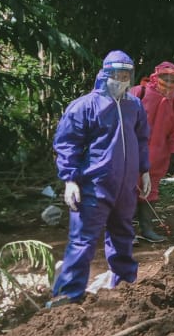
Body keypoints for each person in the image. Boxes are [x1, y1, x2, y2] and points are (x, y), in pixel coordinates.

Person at [49, 50, 150, 307]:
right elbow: (67, 143)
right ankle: (69, 294)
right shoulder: (85, 106)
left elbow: (141, 140)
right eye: (117, 74)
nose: (122, 79)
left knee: (123, 236)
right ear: (106, 74)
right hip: (94, 185)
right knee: (83, 240)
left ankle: (125, 286)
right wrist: (69, 179)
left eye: (126, 74)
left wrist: (145, 170)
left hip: (125, 187)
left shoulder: (134, 106)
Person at [128, 61, 174, 243]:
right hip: (133, 151)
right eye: (164, 78)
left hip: (159, 154)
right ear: (156, 76)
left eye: (172, 79)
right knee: (128, 188)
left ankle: (147, 229)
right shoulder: (139, 92)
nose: (168, 83)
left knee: (150, 190)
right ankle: (125, 232)